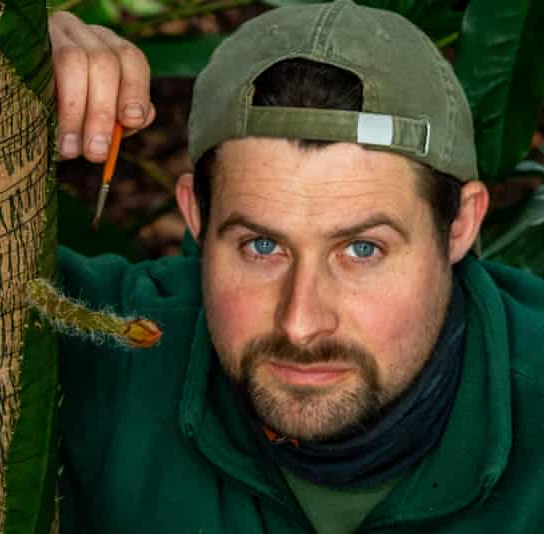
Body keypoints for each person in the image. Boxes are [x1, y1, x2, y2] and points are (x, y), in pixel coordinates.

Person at [46, 1, 544, 533]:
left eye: (361, 250)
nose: (300, 322)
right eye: (262, 247)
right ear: (196, 215)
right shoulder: (107, 345)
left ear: (460, 226)